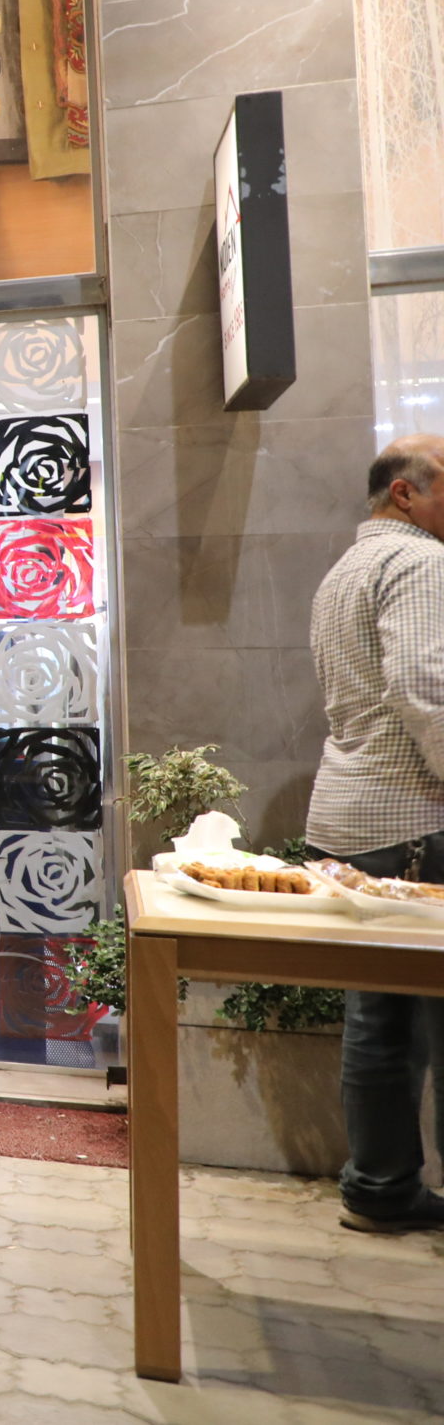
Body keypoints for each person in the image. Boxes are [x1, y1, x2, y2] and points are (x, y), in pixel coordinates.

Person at [303, 436, 444, 1235]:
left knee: (378, 1015)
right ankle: (385, 1186)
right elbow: (425, 689)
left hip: (352, 815)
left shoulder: (347, 567)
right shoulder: (421, 562)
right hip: (414, 817)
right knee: (414, 1021)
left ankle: (381, 1187)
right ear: (404, 493)